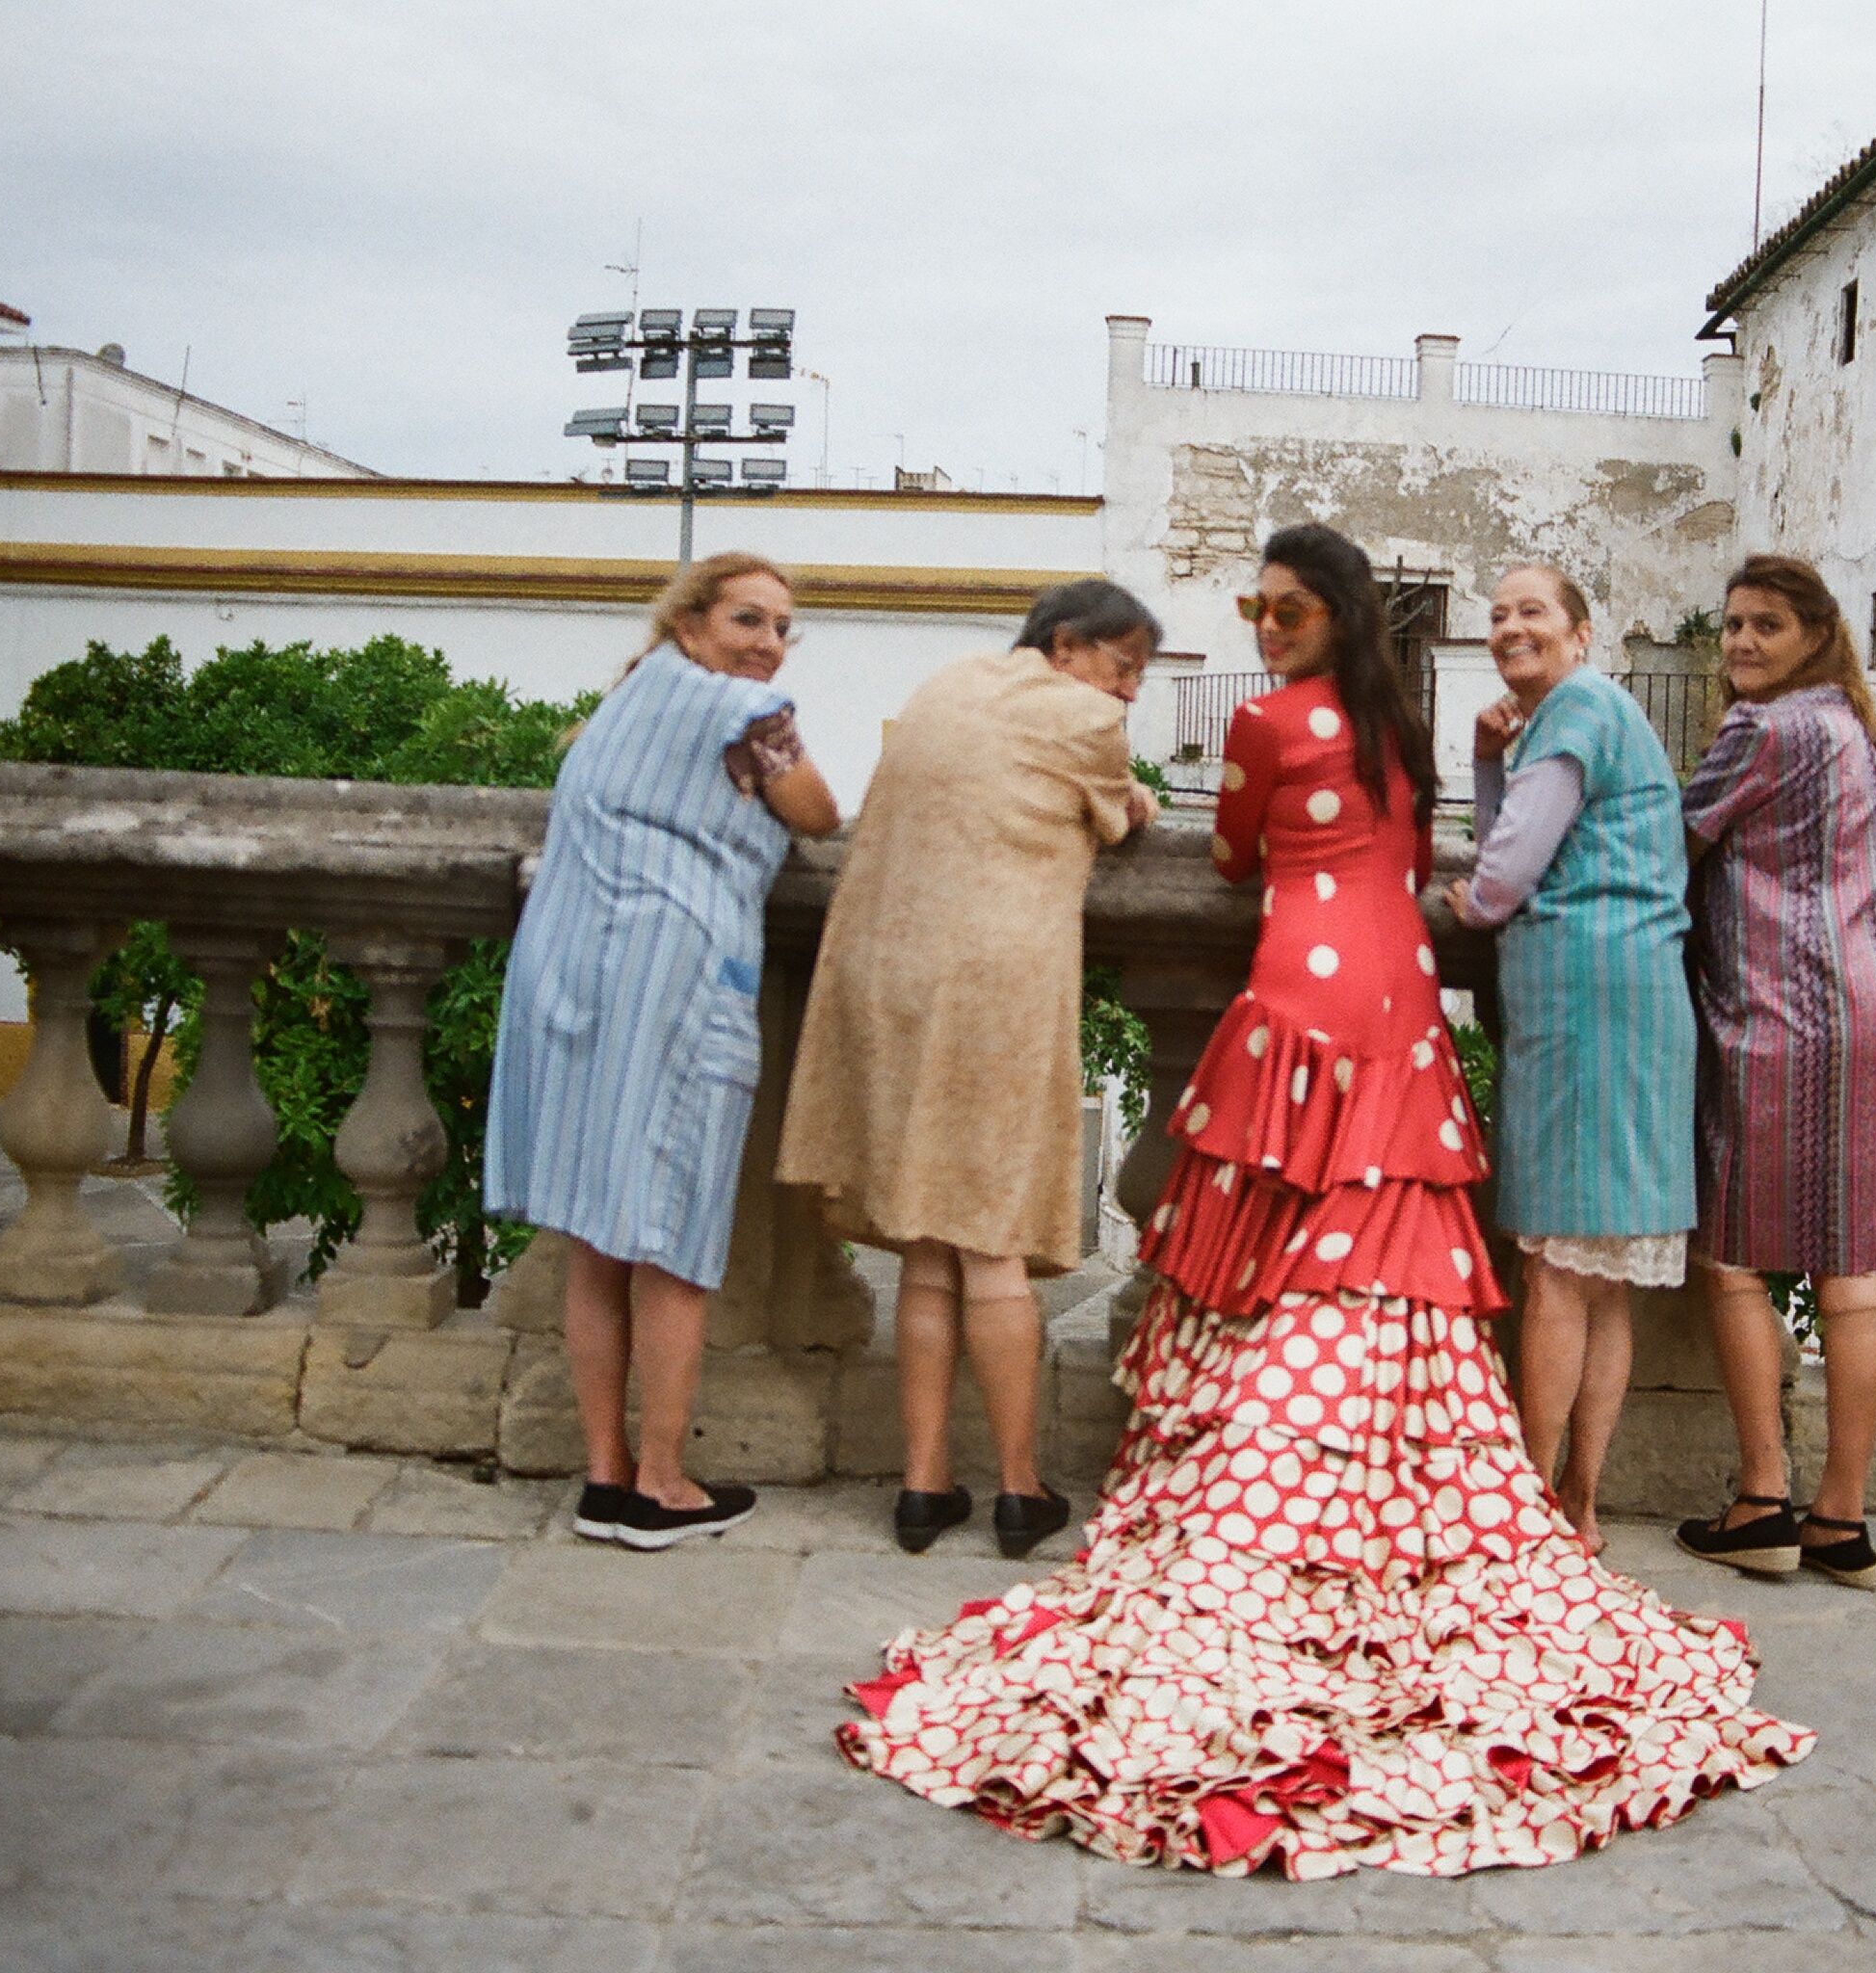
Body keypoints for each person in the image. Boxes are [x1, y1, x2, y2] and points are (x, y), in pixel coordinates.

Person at [838, 523, 1809, 1879]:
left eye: (1280, 609)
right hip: (1402, 996)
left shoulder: (1263, 722)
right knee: (1406, 1232)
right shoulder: (1396, 728)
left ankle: (1264, 1474)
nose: (1262, 625)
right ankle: (1441, 1489)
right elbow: (1427, 848)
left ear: (1326, 615)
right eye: (1256, 607)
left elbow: (1234, 858)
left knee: (1282, 1234)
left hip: (1299, 991)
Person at [779, 579, 1162, 1559]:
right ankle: (1019, 1488)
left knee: (924, 1242)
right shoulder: (1080, 716)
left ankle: (921, 1485)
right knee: (991, 1240)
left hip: (890, 979)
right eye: (1124, 668)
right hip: (993, 990)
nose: (1126, 694)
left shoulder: (947, 680)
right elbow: (1123, 815)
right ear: (1069, 645)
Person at [483, 552, 840, 1552]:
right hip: (673, 982)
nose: (766, 643)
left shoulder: (631, 699)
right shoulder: (737, 708)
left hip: (573, 979)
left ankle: (604, 1478)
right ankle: (663, 1483)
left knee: (597, 1239)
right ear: (690, 623)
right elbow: (818, 810)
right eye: (747, 619)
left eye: (780, 628)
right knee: (674, 1241)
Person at [1671, 554, 1876, 1591]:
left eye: (1766, 626)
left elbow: (1672, 837)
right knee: (1855, 1271)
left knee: (1736, 1254)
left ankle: (1761, 1498)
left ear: (1812, 635)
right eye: (1733, 625)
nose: (1743, 643)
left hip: (1790, 1013)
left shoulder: (1764, 729)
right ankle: (1842, 1518)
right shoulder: (1859, 732)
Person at [1445, 565, 1695, 1555]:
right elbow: (1531, 824)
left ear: (1582, 633)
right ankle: (1575, 1505)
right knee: (1602, 1276)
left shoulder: (1577, 708)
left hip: (1583, 1000)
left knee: (1552, 1264)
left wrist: (1472, 904)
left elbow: (1504, 868)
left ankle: (1528, 1507)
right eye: (1498, 613)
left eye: (1532, 611)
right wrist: (1484, 759)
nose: (1510, 626)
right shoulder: (1592, 714)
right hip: (1638, 997)